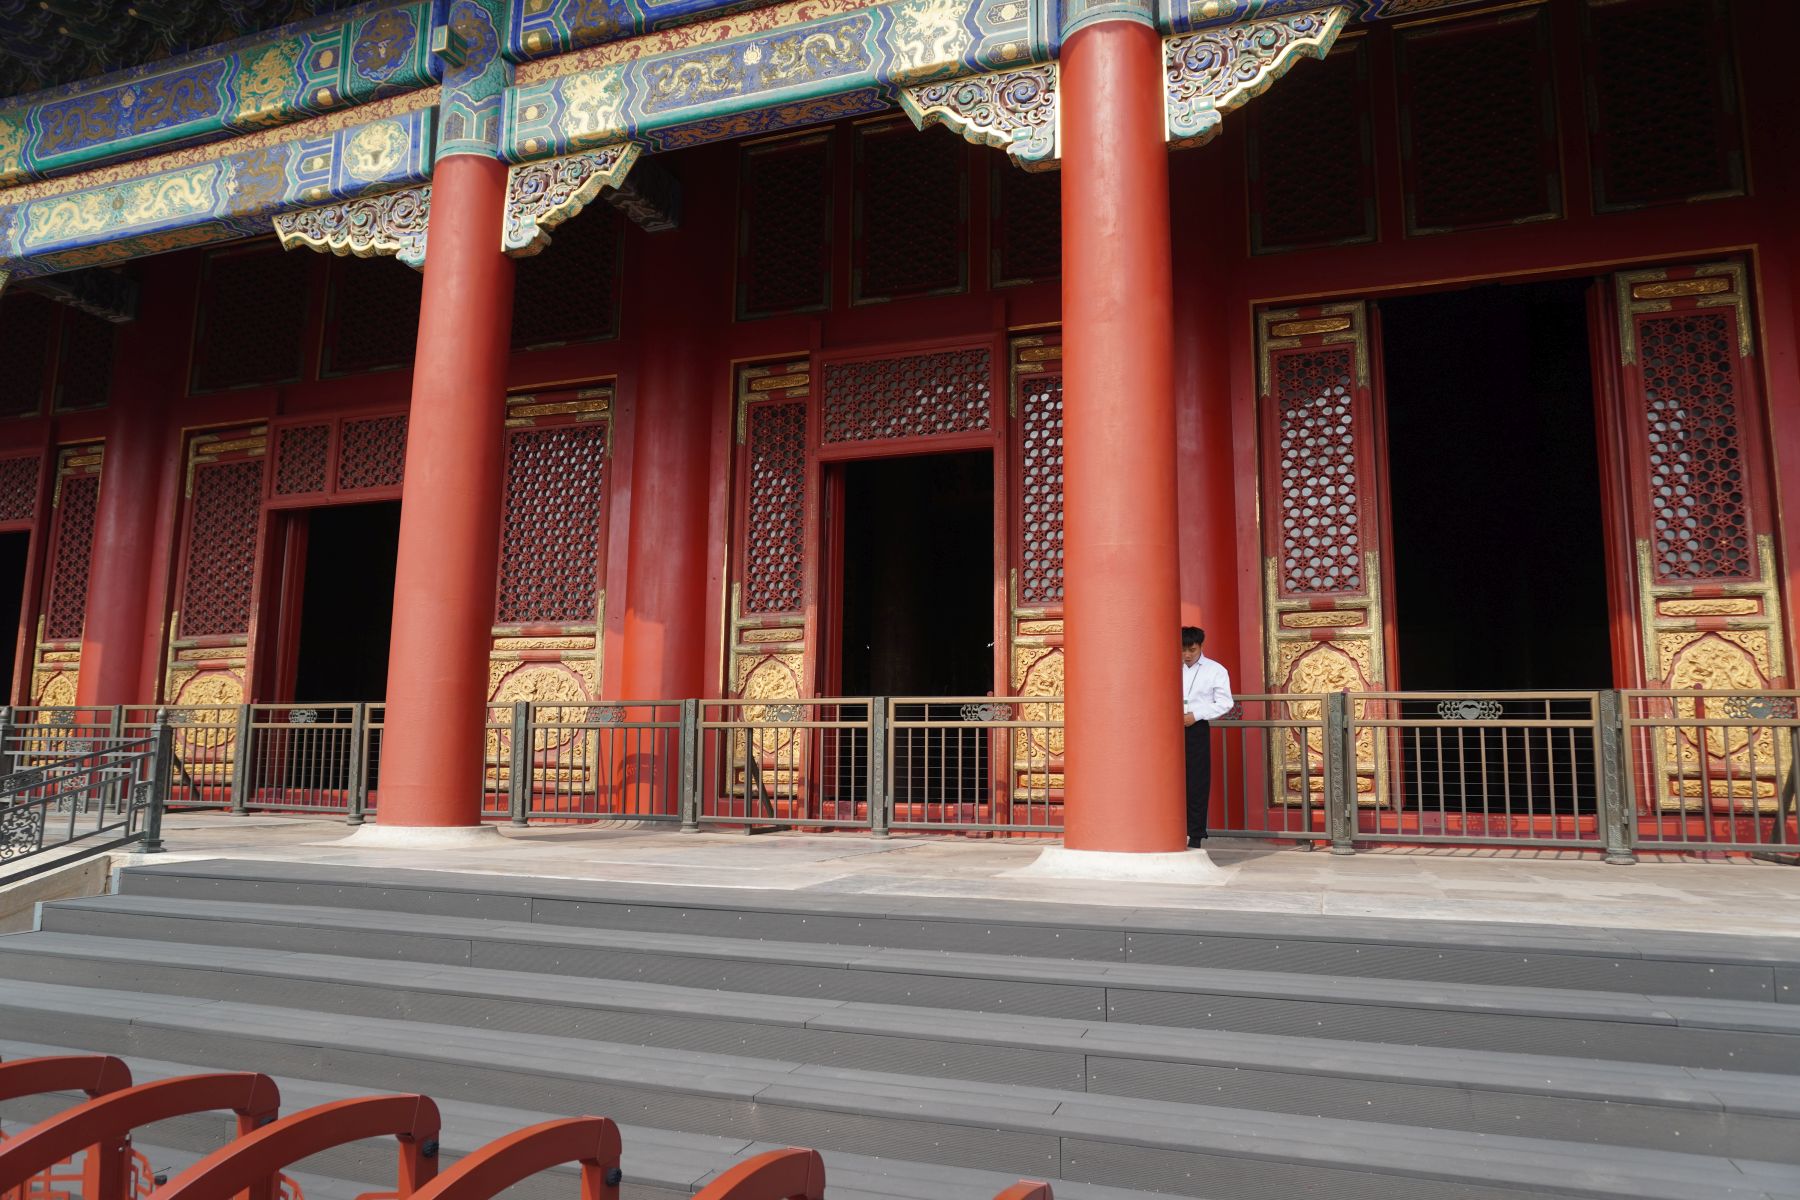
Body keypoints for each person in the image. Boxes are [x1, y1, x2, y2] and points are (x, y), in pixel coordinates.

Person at [1180, 626, 1233, 847]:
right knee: (1168, 781)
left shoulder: (1215, 670)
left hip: (1196, 729)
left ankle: (1195, 835)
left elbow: (1225, 702)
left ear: (1201, 646)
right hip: (1169, 731)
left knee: (1196, 782)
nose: (1187, 655)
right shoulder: (1169, 666)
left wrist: (1197, 715)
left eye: (1191, 649)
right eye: (1183, 650)